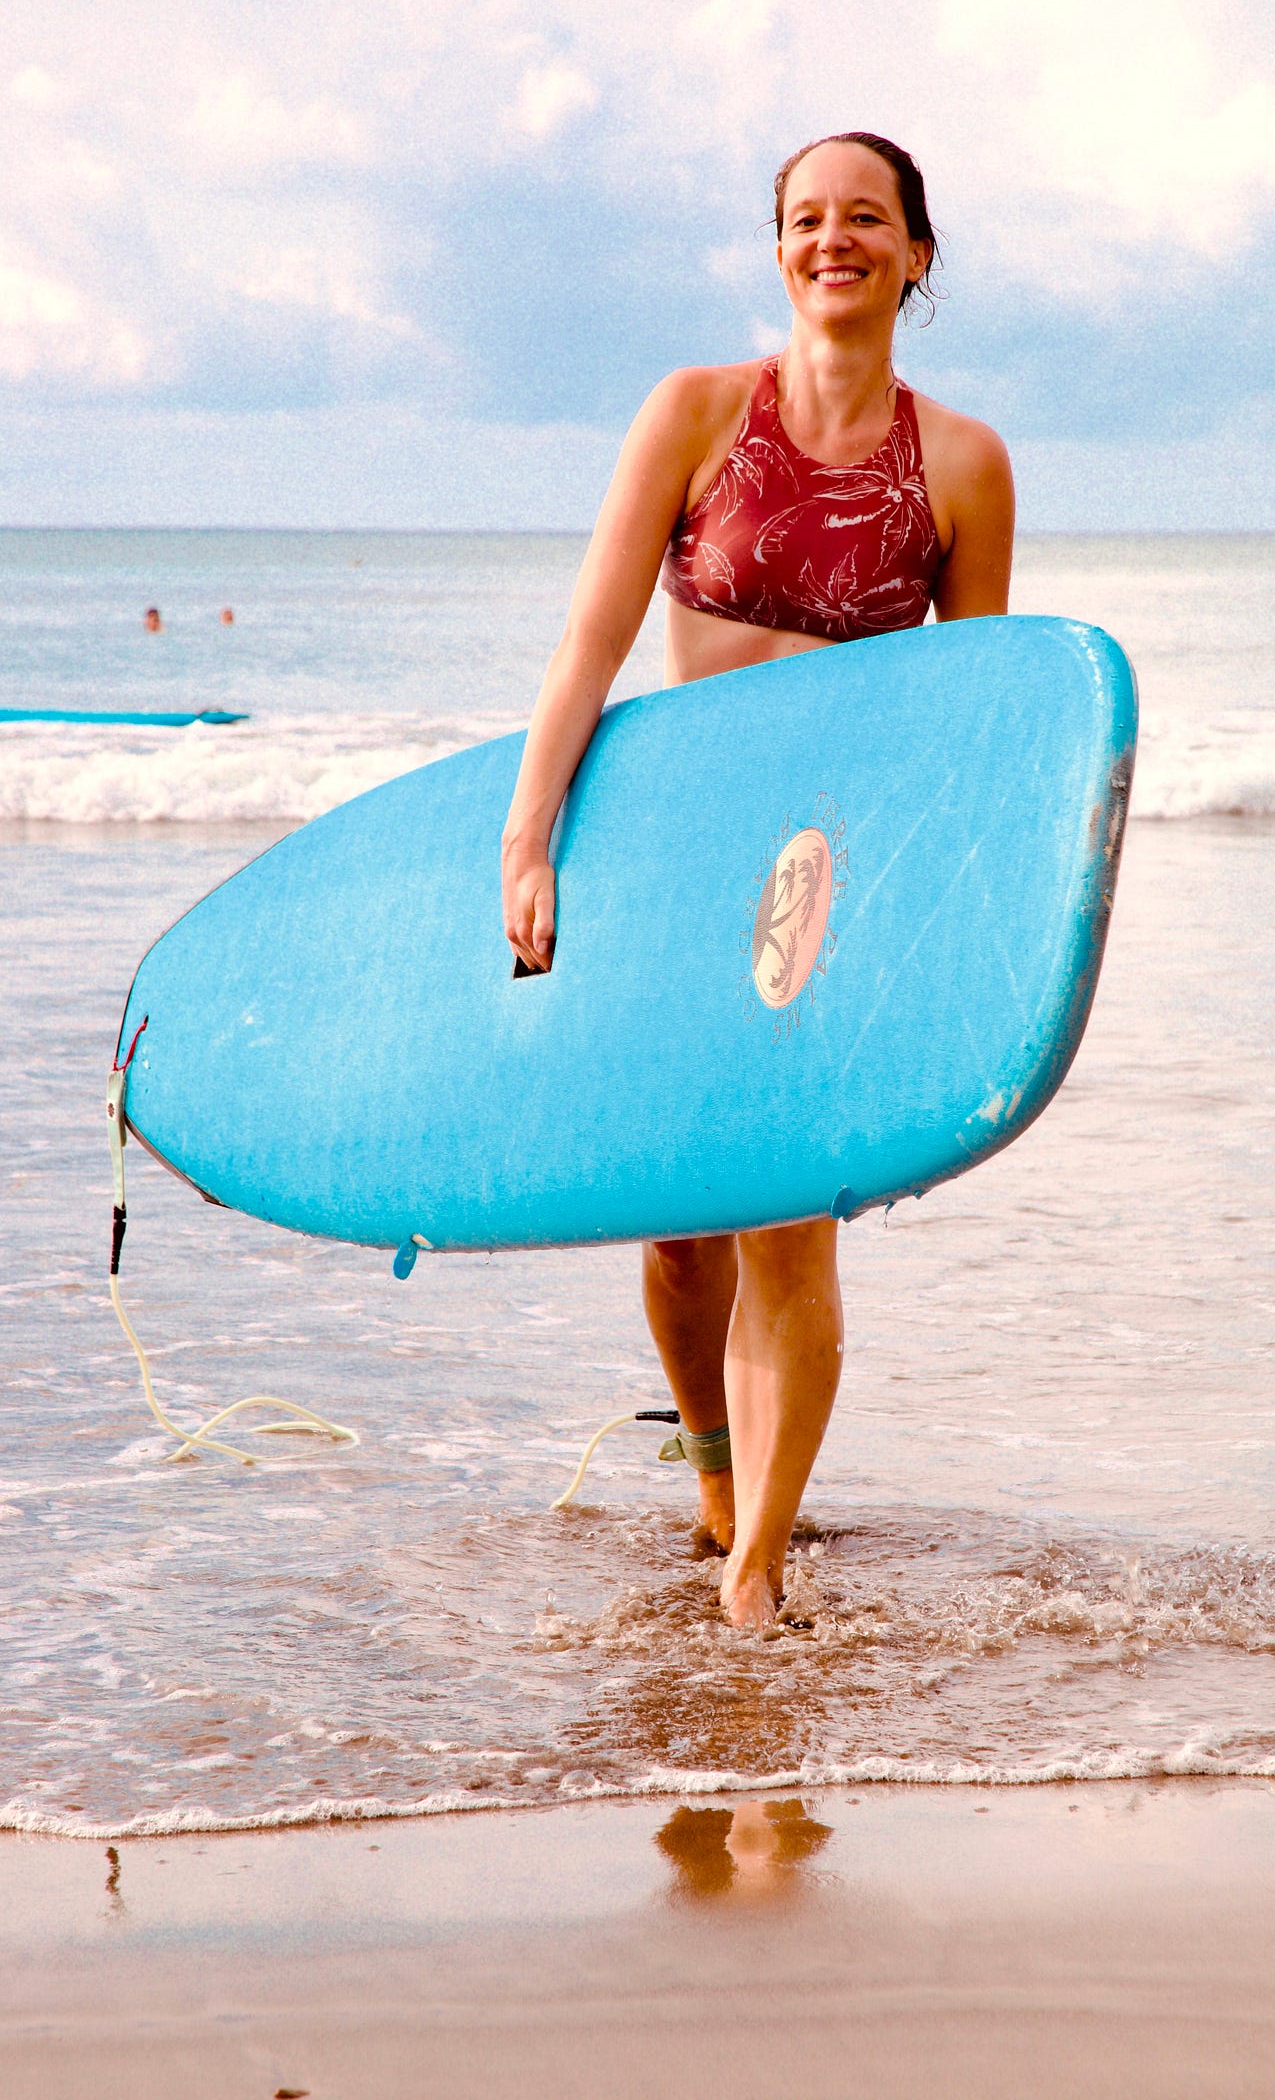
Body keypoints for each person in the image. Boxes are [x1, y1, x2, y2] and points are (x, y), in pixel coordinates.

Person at [501, 132, 1015, 1628]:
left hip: (821, 868)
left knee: (787, 1211)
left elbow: (956, 720)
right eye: (806, 218)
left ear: (918, 256)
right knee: (680, 1228)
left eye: (867, 218)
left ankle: (756, 1568)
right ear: (776, 246)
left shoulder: (966, 464)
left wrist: (939, 919)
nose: (833, 238)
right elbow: (592, 639)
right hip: (669, 849)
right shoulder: (695, 414)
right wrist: (532, 836)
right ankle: (719, 1474)